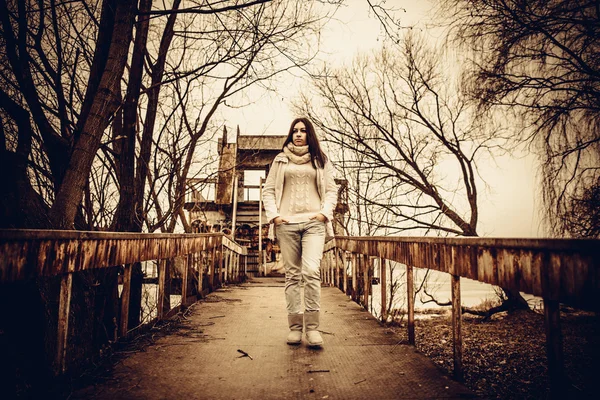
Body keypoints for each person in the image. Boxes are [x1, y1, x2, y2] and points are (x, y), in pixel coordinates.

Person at [262, 117, 337, 347]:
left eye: (303, 131)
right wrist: (274, 216)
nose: (298, 134)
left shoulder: (320, 160)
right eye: (294, 130)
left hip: (314, 223)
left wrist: (324, 213)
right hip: (287, 225)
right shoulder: (280, 160)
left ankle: (313, 328)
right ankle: (295, 328)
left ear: (309, 134)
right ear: (290, 134)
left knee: (311, 271)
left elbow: (332, 190)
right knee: (292, 275)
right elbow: (268, 190)